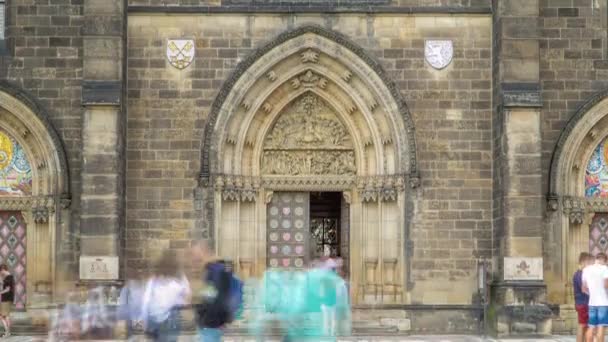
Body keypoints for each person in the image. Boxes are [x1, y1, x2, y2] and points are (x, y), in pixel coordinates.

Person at [194, 242, 243, 342]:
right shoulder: (221, 269)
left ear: (205, 253)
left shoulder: (214, 271)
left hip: (211, 323)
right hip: (215, 322)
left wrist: (205, 319)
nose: (195, 260)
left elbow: (213, 298)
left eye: (197, 256)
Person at [141, 251, 191, 342]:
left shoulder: (153, 280)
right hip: (172, 317)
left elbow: (146, 302)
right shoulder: (180, 278)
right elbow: (187, 298)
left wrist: (144, 321)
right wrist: (177, 301)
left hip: (154, 318)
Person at [583, 252, 608, 342]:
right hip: (603, 303)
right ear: (604, 260)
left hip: (592, 303)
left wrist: (593, 293)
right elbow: (606, 285)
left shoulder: (587, 269)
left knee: (591, 327)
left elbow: (584, 288)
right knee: (601, 326)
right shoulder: (605, 269)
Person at [573, 252, 592, 342]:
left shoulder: (580, 273)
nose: (590, 265)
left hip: (582, 303)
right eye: (589, 263)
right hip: (583, 303)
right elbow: (584, 289)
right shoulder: (580, 274)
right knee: (582, 325)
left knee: (585, 326)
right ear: (583, 262)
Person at [0, 264, 14, 337]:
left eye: (1, 271)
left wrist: (0, 292)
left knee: (5, 316)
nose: (0, 273)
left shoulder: (8, 277)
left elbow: (7, 290)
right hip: (5, 298)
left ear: (2, 270)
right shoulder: (8, 277)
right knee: (3, 316)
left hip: (6, 298)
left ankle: (7, 332)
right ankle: (7, 332)